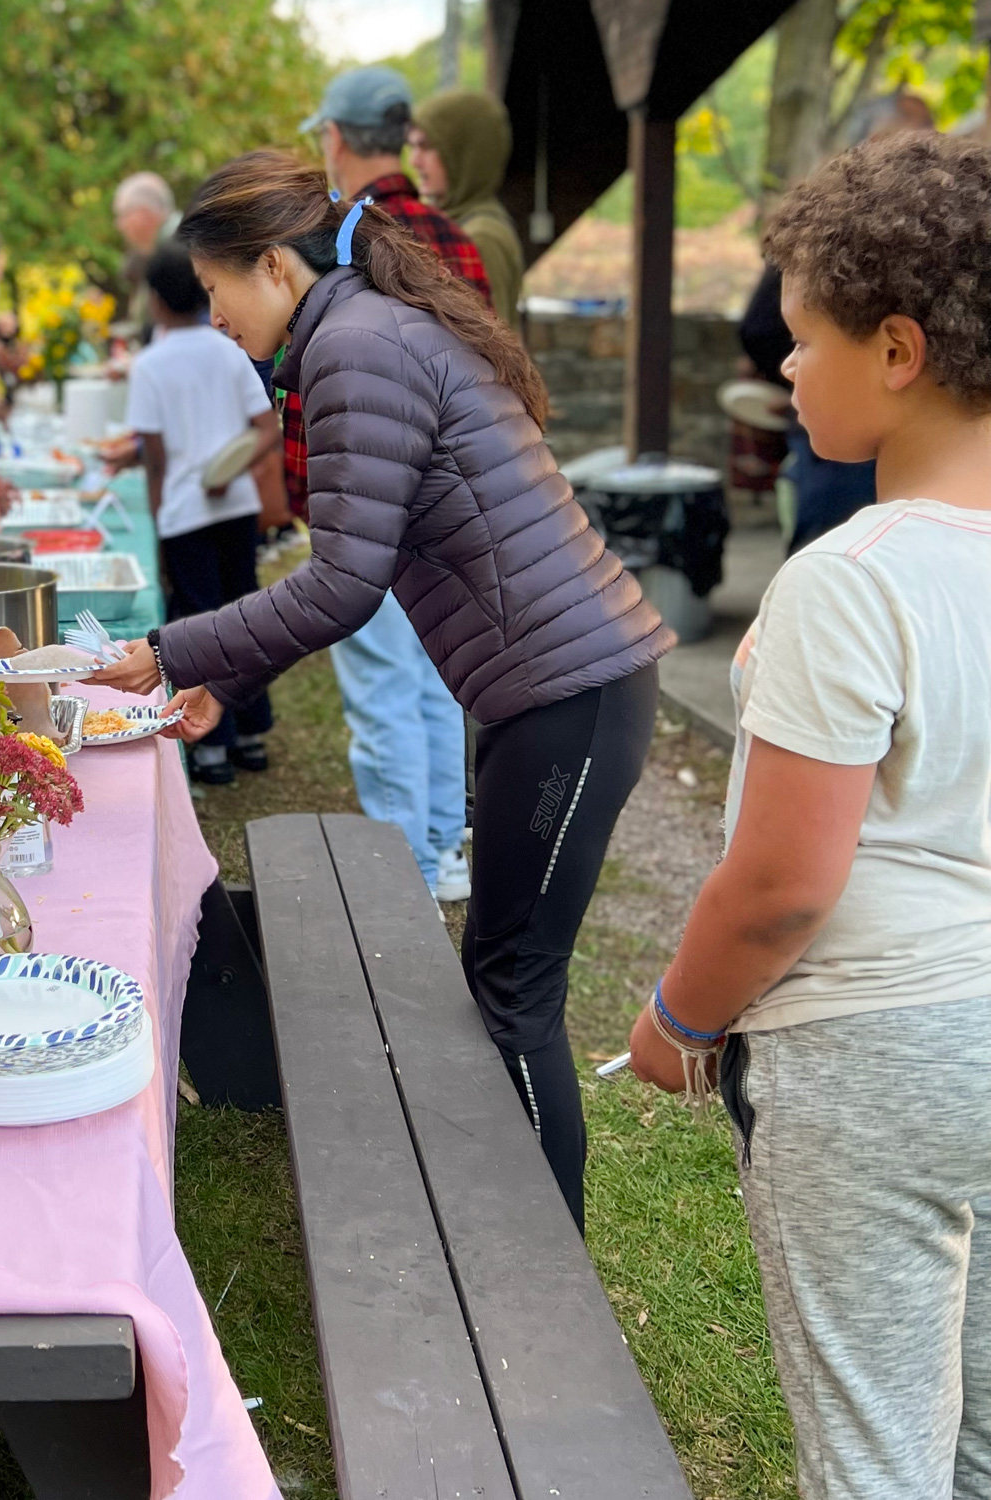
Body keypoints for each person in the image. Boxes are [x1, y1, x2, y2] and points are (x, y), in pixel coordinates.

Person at [91, 151, 671, 1231]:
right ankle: (520, 1236)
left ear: (271, 265)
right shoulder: (357, 330)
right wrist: (230, 668)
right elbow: (361, 559)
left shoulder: (353, 347)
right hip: (540, 692)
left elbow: (342, 585)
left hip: (568, 697)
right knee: (498, 979)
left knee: (512, 995)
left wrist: (176, 653)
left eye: (217, 292)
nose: (213, 319)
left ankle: (545, 1268)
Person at [627, 132, 991, 1499]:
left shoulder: (853, 580)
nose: (784, 369)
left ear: (896, 351)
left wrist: (679, 1020)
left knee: (874, 1449)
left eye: (801, 340)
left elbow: (784, 882)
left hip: (872, 1064)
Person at [300, 64, 492, 902]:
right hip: (453, 488)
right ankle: (443, 847)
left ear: (336, 139)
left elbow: (321, 377)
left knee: (381, 687)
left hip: (370, 492)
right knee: (437, 677)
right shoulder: (456, 238)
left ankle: (404, 868)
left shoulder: (342, 241)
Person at [737, 89, 932, 554]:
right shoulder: (835, 234)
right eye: (918, 138)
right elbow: (761, 327)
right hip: (845, 455)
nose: (929, 153)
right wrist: (810, 381)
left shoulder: (941, 238)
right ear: (877, 138)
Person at [128, 243, 281, 784]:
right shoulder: (228, 350)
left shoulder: (149, 364)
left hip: (184, 515)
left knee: (196, 620)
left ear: (155, 299)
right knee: (244, 613)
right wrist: (225, 470)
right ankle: (251, 732)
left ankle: (210, 744)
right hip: (235, 505)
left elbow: (155, 461)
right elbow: (265, 429)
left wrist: (157, 526)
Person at [409, 90, 524, 327]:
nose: (414, 160)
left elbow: (494, 345)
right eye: (413, 146)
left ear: (464, 154)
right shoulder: (455, 222)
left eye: (427, 147)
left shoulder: (482, 236)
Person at [113, 172, 179, 334]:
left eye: (123, 215)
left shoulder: (178, 249)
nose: (120, 226)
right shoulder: (165, 246)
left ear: (142, 214)